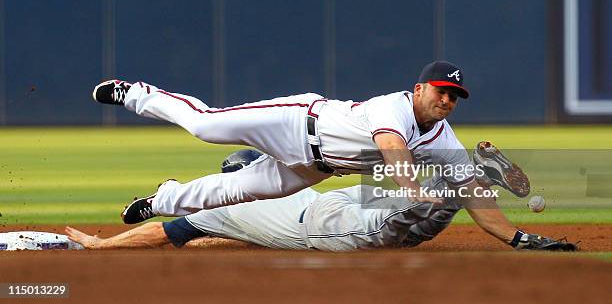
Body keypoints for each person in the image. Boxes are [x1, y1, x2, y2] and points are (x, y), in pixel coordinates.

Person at [91, 60, 531, 247]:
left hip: (314, 168)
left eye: (456, 97)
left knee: (233, 192)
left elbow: (472, 188)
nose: (448, 101)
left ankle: (160, 200)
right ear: (420, 89)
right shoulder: (393, 108)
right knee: (206, 125)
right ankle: (135, 93)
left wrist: (515, 237)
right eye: (442, 91)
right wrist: (415, 189)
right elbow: (393, 148)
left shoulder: (442, 137)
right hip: (297, 122)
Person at [65, 148, 575, 252]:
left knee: (405, 220)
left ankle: (470, 174)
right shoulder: (268, 198)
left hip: (330, 224)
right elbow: (205, 239)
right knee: (423, 190)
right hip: (339, 198)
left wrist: (103, 246)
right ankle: (472, 172)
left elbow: (168, 230)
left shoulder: (227, 211)